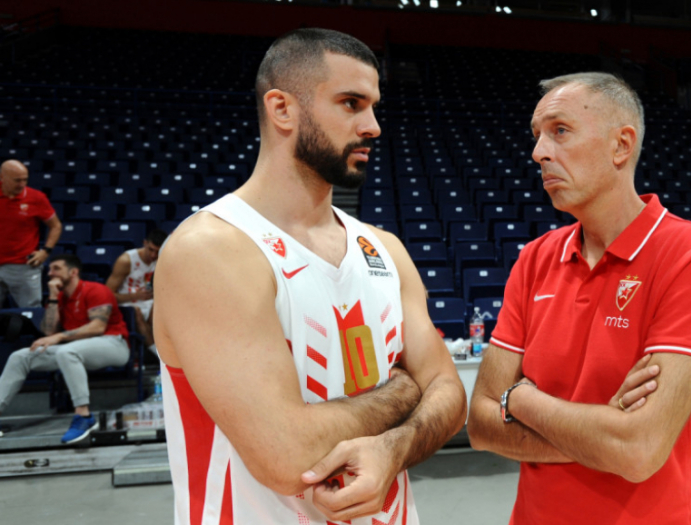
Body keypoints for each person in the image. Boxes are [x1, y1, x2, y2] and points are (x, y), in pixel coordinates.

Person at [153, 29, 467, 525]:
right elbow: (288, 457)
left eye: (373, 106)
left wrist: (395, 448)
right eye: (350, 103)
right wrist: (407, 391)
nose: (373, 126)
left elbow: (451, 396)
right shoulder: (210, 251)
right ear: (282, 109)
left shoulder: (384, 248)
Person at [467, 72, 691, 525]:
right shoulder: (535, 259)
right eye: (537, 137)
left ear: (621, 146)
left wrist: (523, 401)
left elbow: (637, 450)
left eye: (560, 132)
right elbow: (480, 426)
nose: (538, 153)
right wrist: (599, 432)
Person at [0, 254, 130, 443]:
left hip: (112, 344)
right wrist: (52, 298)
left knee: (66, 351)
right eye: (50, 269)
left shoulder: (96, 290)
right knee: (21, 356)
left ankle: (83, 416)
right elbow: (47, 331)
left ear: (73, 272)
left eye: (56, 268)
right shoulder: (60, 297)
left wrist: (60, 336)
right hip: (74, 349)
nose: (50, 273)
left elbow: (97, 327)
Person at [0, 159, 63, 308]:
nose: (22, 184)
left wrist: (45, 251)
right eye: (17, 180)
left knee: (31, 312)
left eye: (25, 180)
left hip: (24, 266)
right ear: (2, 177)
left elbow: (56, 226)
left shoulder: (36, 198)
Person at [105, 229, 168, 354]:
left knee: (161, 309)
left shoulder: (162, 259)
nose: (153, 255)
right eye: (151, 250)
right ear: (144, 243)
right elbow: (107, 295)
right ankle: (158, 355)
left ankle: (168, 353)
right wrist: (134, 296)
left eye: (157, 251)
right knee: (137, 312)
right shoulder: (126, 260)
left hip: (148, 301)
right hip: (126, 302)